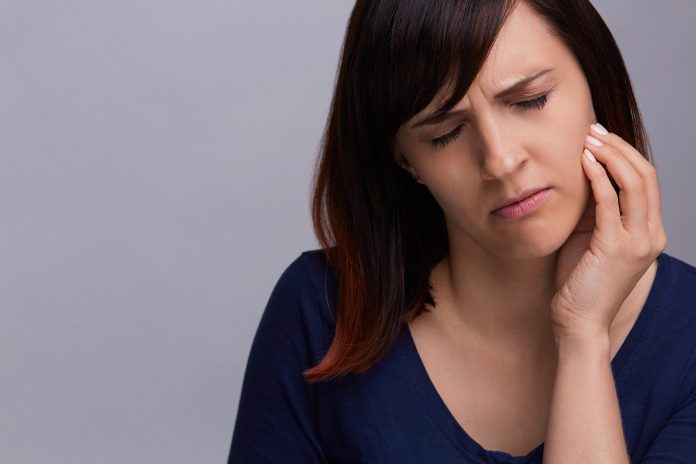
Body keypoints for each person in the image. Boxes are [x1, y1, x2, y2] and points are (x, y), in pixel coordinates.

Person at [229, 0, 696, 462]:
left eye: (529, 100)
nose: (500, 160)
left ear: (594, 79)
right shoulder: (322, 311)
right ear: (406, 160)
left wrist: (583, 337)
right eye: (444, 134)